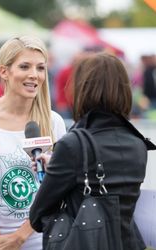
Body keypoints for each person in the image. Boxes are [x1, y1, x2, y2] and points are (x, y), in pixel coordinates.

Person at [29, 52, 156, 250]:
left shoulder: (73, 145)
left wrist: (52, 172)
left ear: (82, 88)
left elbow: (38, 216)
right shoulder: (138, 144)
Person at [0, 36, 67, 250]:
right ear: (4, 71)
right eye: (25, 66)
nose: (34, 75)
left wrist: (20, 236)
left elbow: (59, 186)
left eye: (40, 68)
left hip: (42, 239)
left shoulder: (53, 122)